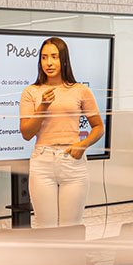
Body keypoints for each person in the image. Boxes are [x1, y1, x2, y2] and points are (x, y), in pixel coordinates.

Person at [18, 37, 104, 228]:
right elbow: (26, 133)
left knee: (71, 228)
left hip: (72, 161)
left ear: (64, 60)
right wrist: (43, 107)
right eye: (44, 57)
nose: (48, 63)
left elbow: (98, 127)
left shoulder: (80, 90)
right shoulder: (31, 92)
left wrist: (83, 145)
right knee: (45, 228)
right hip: (43, 161)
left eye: (54, 57)